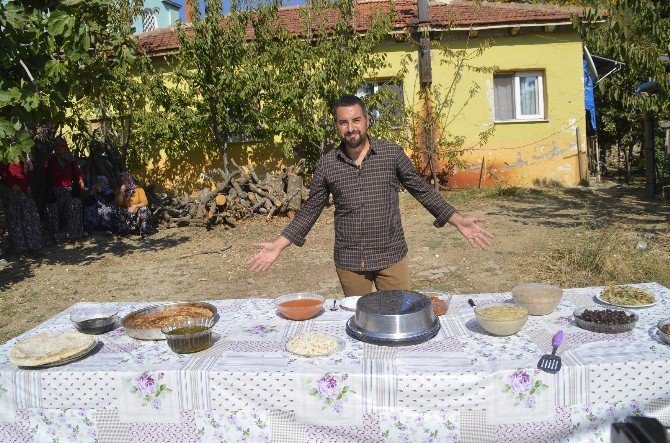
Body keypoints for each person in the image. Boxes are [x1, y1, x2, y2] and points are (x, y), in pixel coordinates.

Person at [248, 94, 493, 296]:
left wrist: (458, 220)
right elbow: (311, 209)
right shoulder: (327, 164)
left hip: (391, 257)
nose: (351, 128)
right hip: (350, 262)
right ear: (337, 126)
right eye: (343, 122)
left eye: (356, 120)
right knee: (361, 323)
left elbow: (421, 189)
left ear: (367, 120)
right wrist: (279, 245)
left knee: (398, 316)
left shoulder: (390, 154)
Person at [41, 137, 86, 242]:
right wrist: (45, 164)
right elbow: (43, 173)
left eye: (65, 145)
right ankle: (55, 237)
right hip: (55, 190)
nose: (65, 148)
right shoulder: (51, 159)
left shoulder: (70, 159)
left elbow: (77, 172)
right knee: (53, 213)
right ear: (56, 147)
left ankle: (74, 235)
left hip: (69, 189)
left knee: (74, 210)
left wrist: (81, 183)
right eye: (62, 145)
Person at [0, 156, 42, 254]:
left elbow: (27, 171)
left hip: (24, 188)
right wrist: (11, 184)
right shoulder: (5, 151)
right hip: (10, 189)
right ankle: (20, 249)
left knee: (29, 218)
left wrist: (28, 185)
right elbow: (3, 171)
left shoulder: (23, 152)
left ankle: (33, 247)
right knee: (14, 219)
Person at [112, 172, 151, 238]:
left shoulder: (138, 189)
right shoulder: (119, 190)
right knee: (117, 210)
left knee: (144, 209)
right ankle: (125, 232)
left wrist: (135, 206)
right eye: (122, 180)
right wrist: (122, 192)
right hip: (126, 214)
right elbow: (118, 203)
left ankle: (143, 231)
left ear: (129, 179)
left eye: (125, 179)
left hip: (137, 212)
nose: (123, 182)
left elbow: (145, 202)